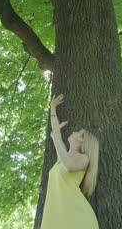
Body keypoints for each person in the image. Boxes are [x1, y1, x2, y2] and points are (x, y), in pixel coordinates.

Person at [41, 94, 100, 229]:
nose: (74, 132)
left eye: (79, 133)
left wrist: (55, 138)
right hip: (58, 214)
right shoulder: (62, 157)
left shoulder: (83, 158)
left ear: (82, 141)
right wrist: (53, 108)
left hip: (76, 214)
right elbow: (56, 130)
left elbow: (69, 166)